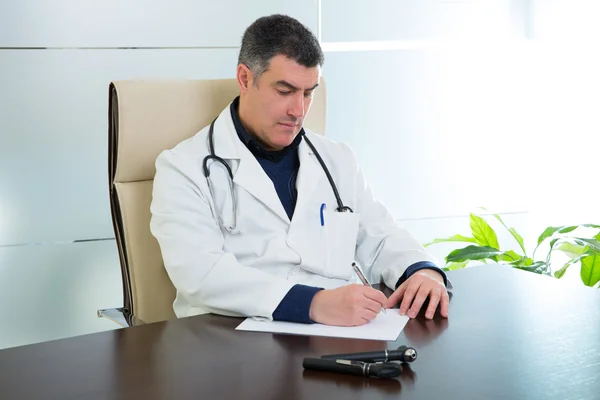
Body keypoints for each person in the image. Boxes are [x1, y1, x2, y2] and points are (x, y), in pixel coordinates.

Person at [150, 14, 450, 327]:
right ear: (244, 78)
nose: (299, 111)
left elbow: (379, 235)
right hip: (232, 339)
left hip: (335, 335)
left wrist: (421, 270)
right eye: (284, 91)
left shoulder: (337, 159)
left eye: (308, 93)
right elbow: (200, 273)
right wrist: (312, 303)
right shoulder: (183, 168)